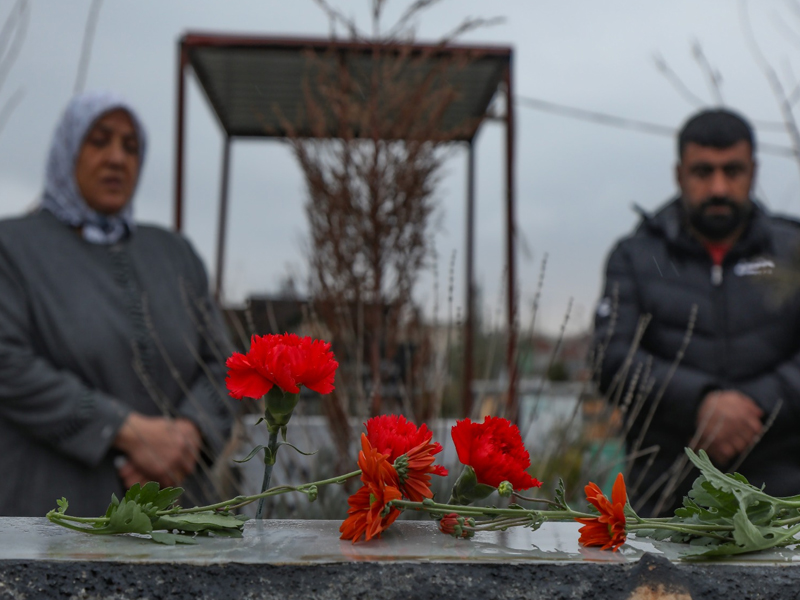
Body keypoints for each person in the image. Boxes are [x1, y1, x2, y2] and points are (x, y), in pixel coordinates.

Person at [0, 92, 234, 517]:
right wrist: (124, 430)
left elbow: (224, 365)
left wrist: (186, 436)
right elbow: (8, 363)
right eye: (99, 141)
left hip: (177, 513)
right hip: (54, 518)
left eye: (130, 146)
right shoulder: (12, 249)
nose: (116, 159)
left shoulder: (174, 253)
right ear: (67, 151)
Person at [594, 108, 800, 516]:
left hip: (786, 501)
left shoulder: (793, 251)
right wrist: (702, 402)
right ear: (679, 174)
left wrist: (753, 404)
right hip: (666, 504)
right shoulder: (635, 257)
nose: (719, 187)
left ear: (753, 171)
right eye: (703, 171)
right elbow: (611, 360)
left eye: (733, 170)